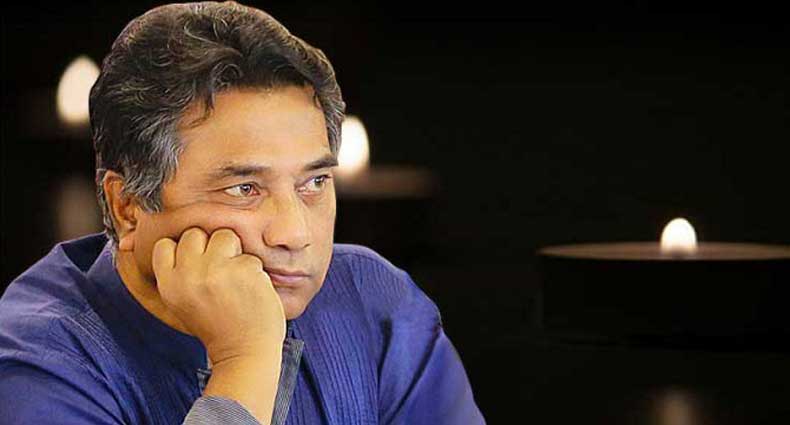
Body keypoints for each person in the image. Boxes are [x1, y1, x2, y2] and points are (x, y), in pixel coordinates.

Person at [0, 2, 485, 424]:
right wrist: (244, 362)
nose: (295, 233)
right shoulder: (37, 360)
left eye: (314, 182)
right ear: (127, 207)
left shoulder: (379, 307)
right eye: (245, 189)